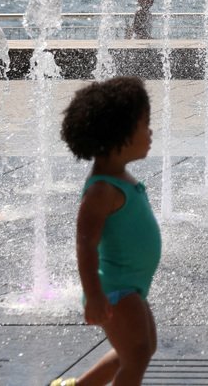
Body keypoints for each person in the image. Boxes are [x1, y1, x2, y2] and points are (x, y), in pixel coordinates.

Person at [52, 76, 160, 386]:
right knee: (136, 353)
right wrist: (94, 296)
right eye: (144, 124)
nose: (150, 131)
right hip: (115, 288)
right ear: (120, 135)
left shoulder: (119, 178)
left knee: (141, 349)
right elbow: (86, 245)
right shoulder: (101, 189)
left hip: (129, 285)